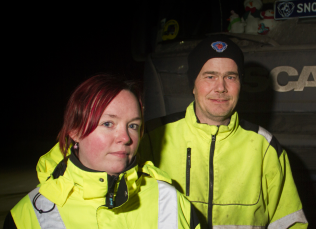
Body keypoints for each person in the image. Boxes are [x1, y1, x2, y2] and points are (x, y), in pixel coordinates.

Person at [139, 35, 308, 228]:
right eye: (210, 76)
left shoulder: (265, 147)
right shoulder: (153, 138)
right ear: (193, 84)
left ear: (240, 85)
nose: (221, 87)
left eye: (230, 77)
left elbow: (289, 222)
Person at [4, 75, 200, 229]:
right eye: (108, 123)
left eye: (132, 125)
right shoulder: (27, 216)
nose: (125, 137)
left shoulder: (170, 201)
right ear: (75, 130)